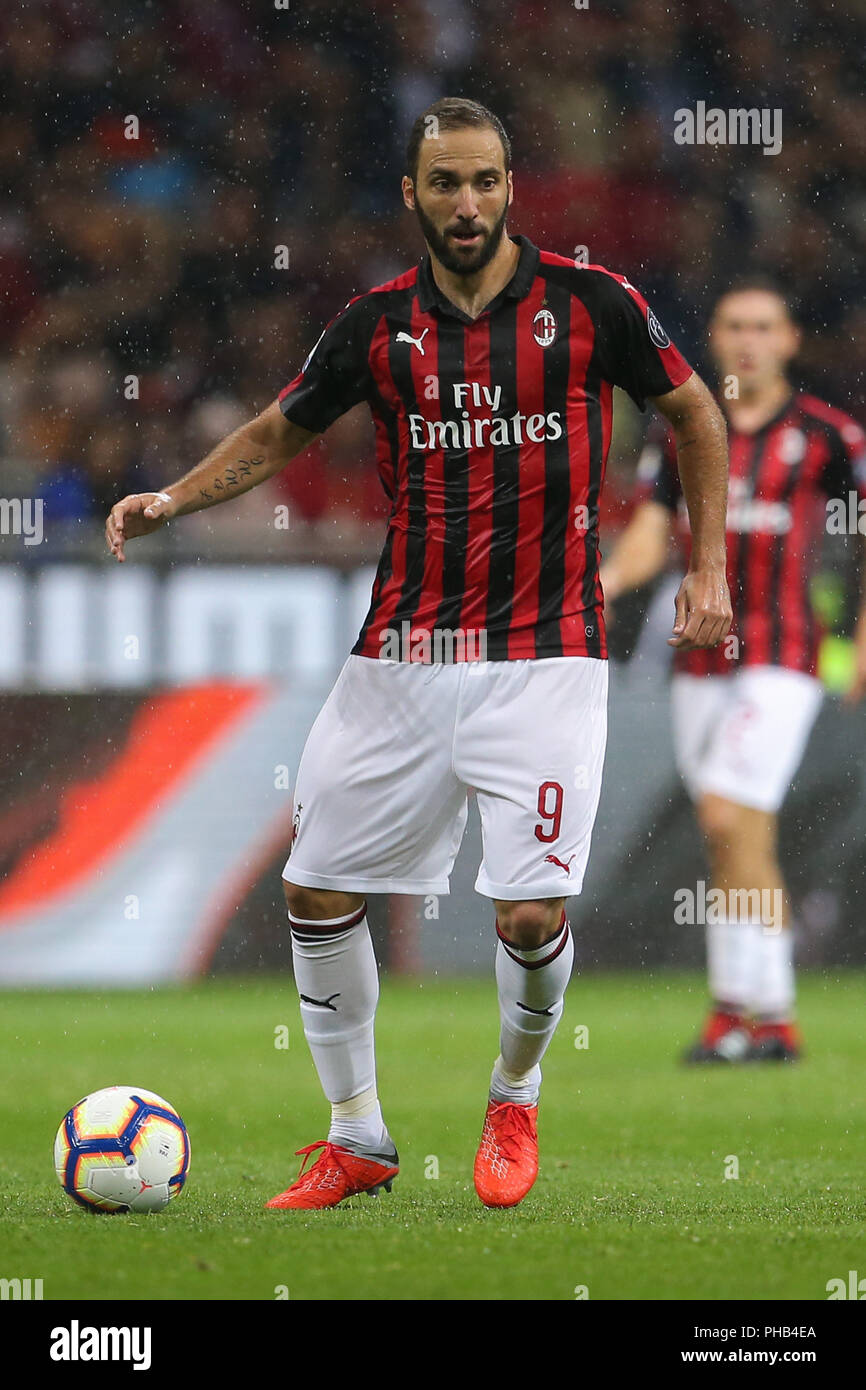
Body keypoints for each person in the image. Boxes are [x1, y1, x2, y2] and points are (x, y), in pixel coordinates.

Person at [106, 97, 731, 1209]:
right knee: (313, 891)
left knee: (530, 913)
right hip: (398, 655)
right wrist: (172, 500)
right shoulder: (372, 326)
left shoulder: (593, 305)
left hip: (546, 651)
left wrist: (706, 567)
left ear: (510, 187)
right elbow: (277, 430)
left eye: (483, 180)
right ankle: (357, 1136)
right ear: (410, 195)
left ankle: (513, 1094)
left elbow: (693, 414)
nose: (465, 203)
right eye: (443, 183)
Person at [602, 280, 866, 1064]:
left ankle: (763, 1008)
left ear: (789, 341)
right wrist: (606, 582)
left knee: (723, 814)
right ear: (713, 338)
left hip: (783, 657)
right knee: (736, 834)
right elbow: (651, 537)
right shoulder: (683, 429)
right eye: (733, 326)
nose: (747, 340)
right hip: (699, 659)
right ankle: (749, 1013)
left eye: (763, 327)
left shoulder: (827, 436)